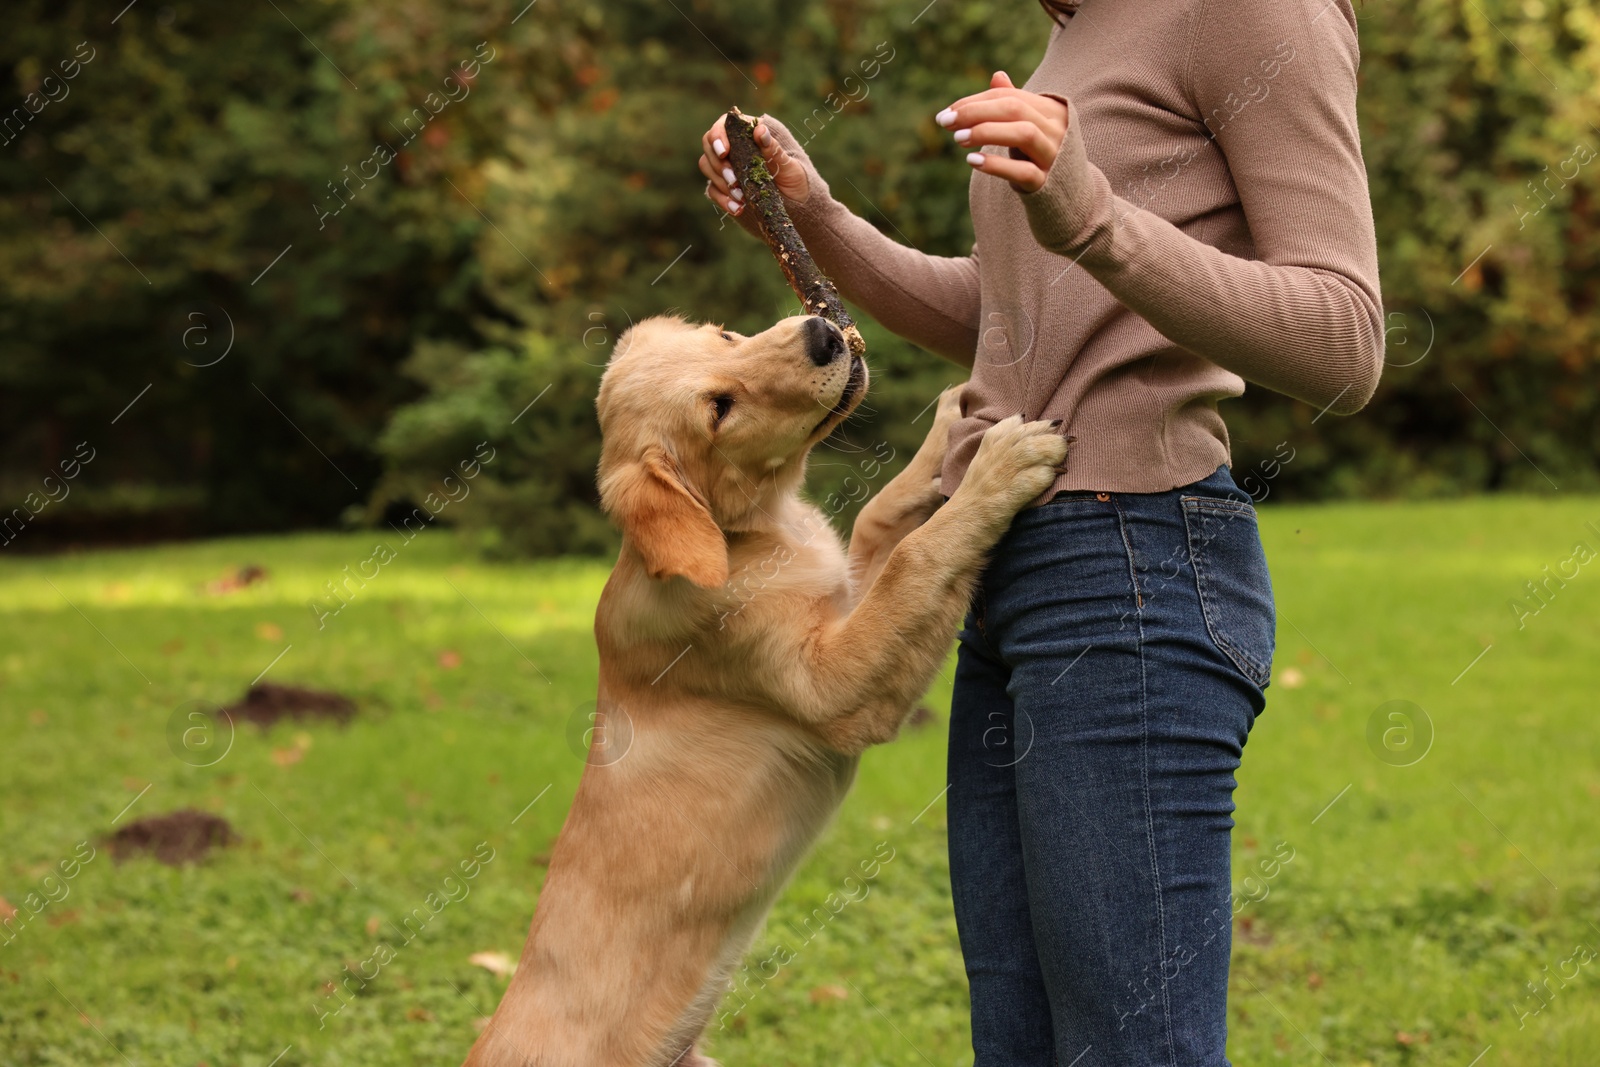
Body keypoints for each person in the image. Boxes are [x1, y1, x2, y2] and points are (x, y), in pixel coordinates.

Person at [699, 0, 1381, 1062]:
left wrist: (1091, 209)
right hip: (1012, 559)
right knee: (1018, 1042)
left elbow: (1344, 339)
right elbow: (1017, 315)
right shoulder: (1077, 28)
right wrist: (817, 218)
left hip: (1136, 562)